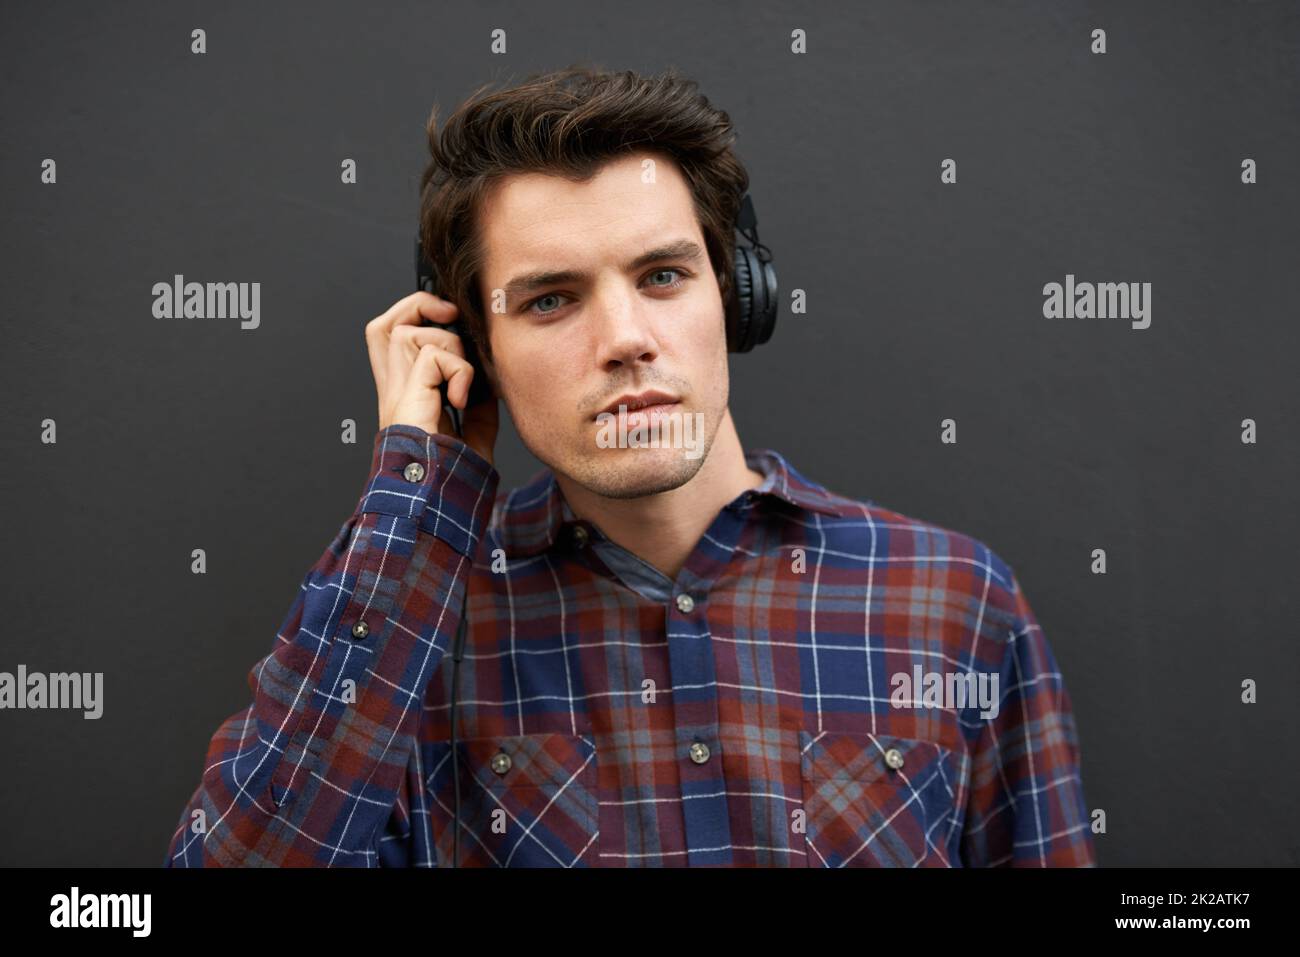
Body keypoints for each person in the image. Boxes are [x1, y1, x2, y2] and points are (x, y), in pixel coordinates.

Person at [165, 65, 1096, 867]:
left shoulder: (956, 601)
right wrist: (415, 490)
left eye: (662, 276)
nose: (625, 340)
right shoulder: (415, 626)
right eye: (551, 300)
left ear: (738, 298)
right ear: (474, 347)